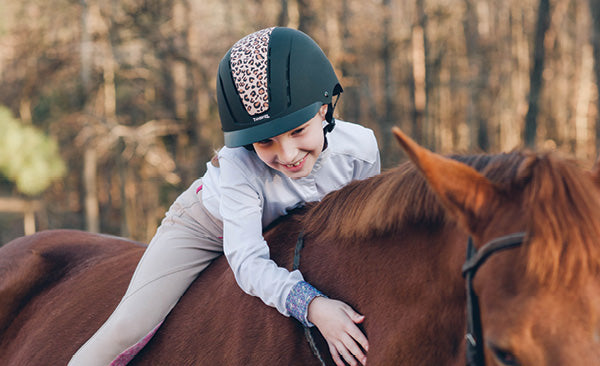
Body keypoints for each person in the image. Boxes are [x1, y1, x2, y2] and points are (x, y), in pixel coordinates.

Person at [69, 26, 380, 366]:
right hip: (204, 228)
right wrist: (312, 305)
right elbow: (247, 263)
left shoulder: (361, 150)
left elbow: (361, 242)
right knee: (127, 327)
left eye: (298, 131)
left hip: (279, 231)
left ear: (324, 109)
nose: (288, 154)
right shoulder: (238, 164)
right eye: (266, 142)